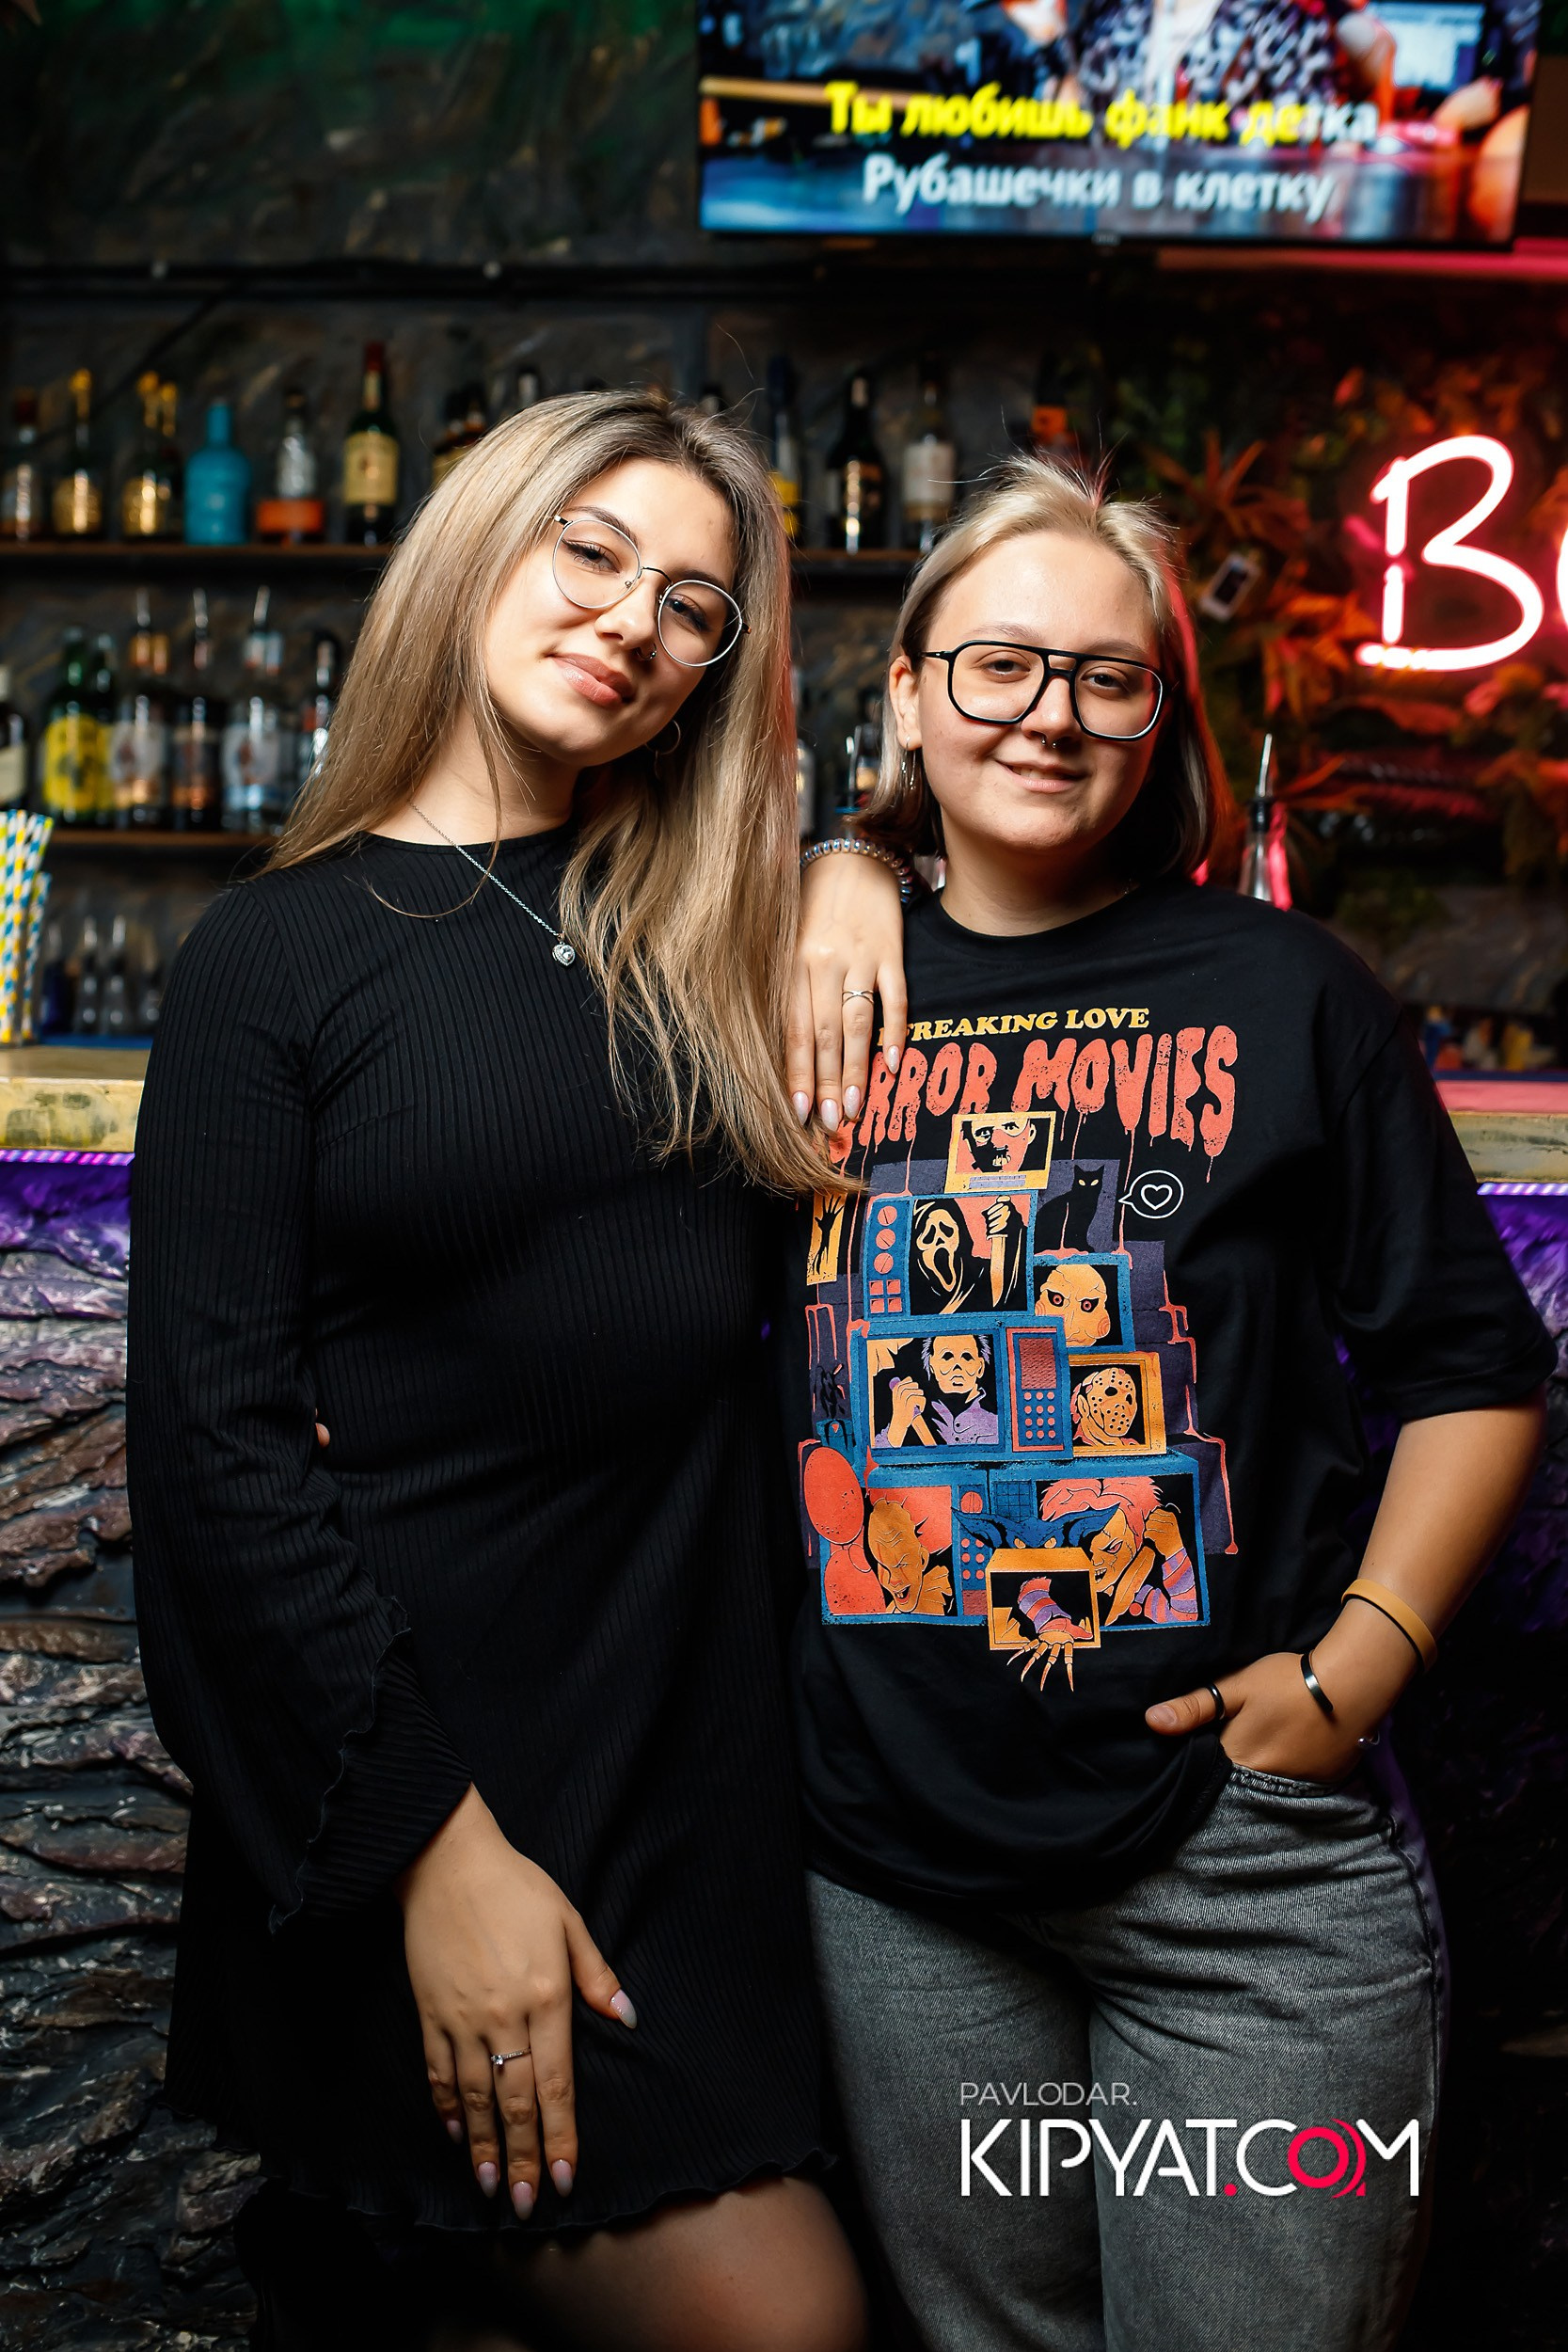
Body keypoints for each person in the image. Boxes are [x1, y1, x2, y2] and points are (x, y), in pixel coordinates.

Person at [783, 453, 1552, 2352]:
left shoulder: (1288, 989)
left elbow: (1475, 1367)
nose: (1049, 713)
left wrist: (1357, 1669)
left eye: (1107, 677)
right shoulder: (790, 982)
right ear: (906, 692)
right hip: (899, 1879)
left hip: (1243, 1874)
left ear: (1161, 719)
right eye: (999, 663)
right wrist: (833, 864)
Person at [127, 390, 868, 2352]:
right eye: (591, 552)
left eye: (694, 604)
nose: (633, 620)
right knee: (779, 2320)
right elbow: (213, 1460)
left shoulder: (708, 945)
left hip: (686, 1789)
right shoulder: (274, 960)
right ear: (480, 546)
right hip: (414, 1781)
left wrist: (855, 865)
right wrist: (432, 1852)